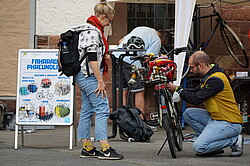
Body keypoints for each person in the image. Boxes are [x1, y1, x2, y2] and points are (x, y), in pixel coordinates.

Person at [166, 51, 244, 157]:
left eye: (192, 67)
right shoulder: (209, 75)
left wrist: (178, 90)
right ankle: (214, 145)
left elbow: (196, 99)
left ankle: (235, 140)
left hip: (229, 122)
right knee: (189, 113)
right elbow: (195, 91)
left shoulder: (216, 80)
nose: (191, 71)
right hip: (215, 118)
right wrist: (178, 89)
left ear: (200, 65)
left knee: (199, 147)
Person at [73, 1, 123, 160]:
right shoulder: (92, 31)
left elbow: (91, 54)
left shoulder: (84, 29)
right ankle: (105, 148)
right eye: (109, 20)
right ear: (102, 17)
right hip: (89, 75)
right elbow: (92, 58)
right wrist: (100, 80)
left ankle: (87, 147)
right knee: (102, 108)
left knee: (87, 109)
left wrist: (104, 56)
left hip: (82, 74)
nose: (109, 23)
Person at [113, 26, 162, 116]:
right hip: (131, 61)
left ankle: (122, 119)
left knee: (122, 90)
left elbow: (120, 41)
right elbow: (147, 59)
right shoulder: (157, 40)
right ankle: (140, 120)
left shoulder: (140, 28)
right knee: (138, 90)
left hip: (116, 56)